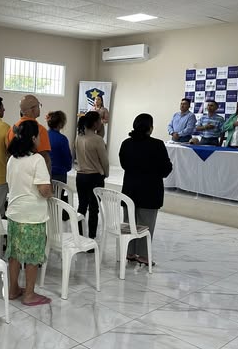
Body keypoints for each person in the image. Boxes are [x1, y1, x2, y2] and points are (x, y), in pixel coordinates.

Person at [6, 120, 53, 306]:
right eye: (39, 136)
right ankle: (29, 294)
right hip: (32, 216)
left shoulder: (12, 159)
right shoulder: (37, 160)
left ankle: (13, 289)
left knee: (15, 254)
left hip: (14, 212)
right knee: (33, 256)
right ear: (33, 138)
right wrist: (51, 193)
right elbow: (44, 189)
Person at [119, 113, 172, 266]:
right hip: (150, 191)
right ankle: (143, 255)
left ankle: (129, 252)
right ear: (150, 128)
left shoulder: (126, 143)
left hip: (130, 190)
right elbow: (166, 169)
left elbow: (124, 164)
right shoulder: (157, 145)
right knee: (146, 225)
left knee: (129, 223)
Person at [74, 111, 109, 240]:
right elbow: (104, 161)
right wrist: (106, 173)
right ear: (95, 123)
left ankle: (79, 235)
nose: (101, 123)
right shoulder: (97, 140)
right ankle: (91, 237)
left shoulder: (79, 137)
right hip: (94, 177)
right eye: (99, 121)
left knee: (82, 206)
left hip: (80, 176)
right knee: (94, 208)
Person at [7, 94, 52, 172]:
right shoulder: (39, 130)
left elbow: (9, 154)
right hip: (34, 175)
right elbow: (45, 158)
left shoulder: (12, 129)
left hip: (16, 173)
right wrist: (48, 178)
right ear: (33, 109)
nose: (40, 108)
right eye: (39, 106)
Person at [46, 110, 72, 184]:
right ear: (60, 124)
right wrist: (67, 168)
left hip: (44, 172)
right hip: (59, 174)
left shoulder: (43, 136)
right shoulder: (62, 139)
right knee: (58, 191)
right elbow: (67, 158)